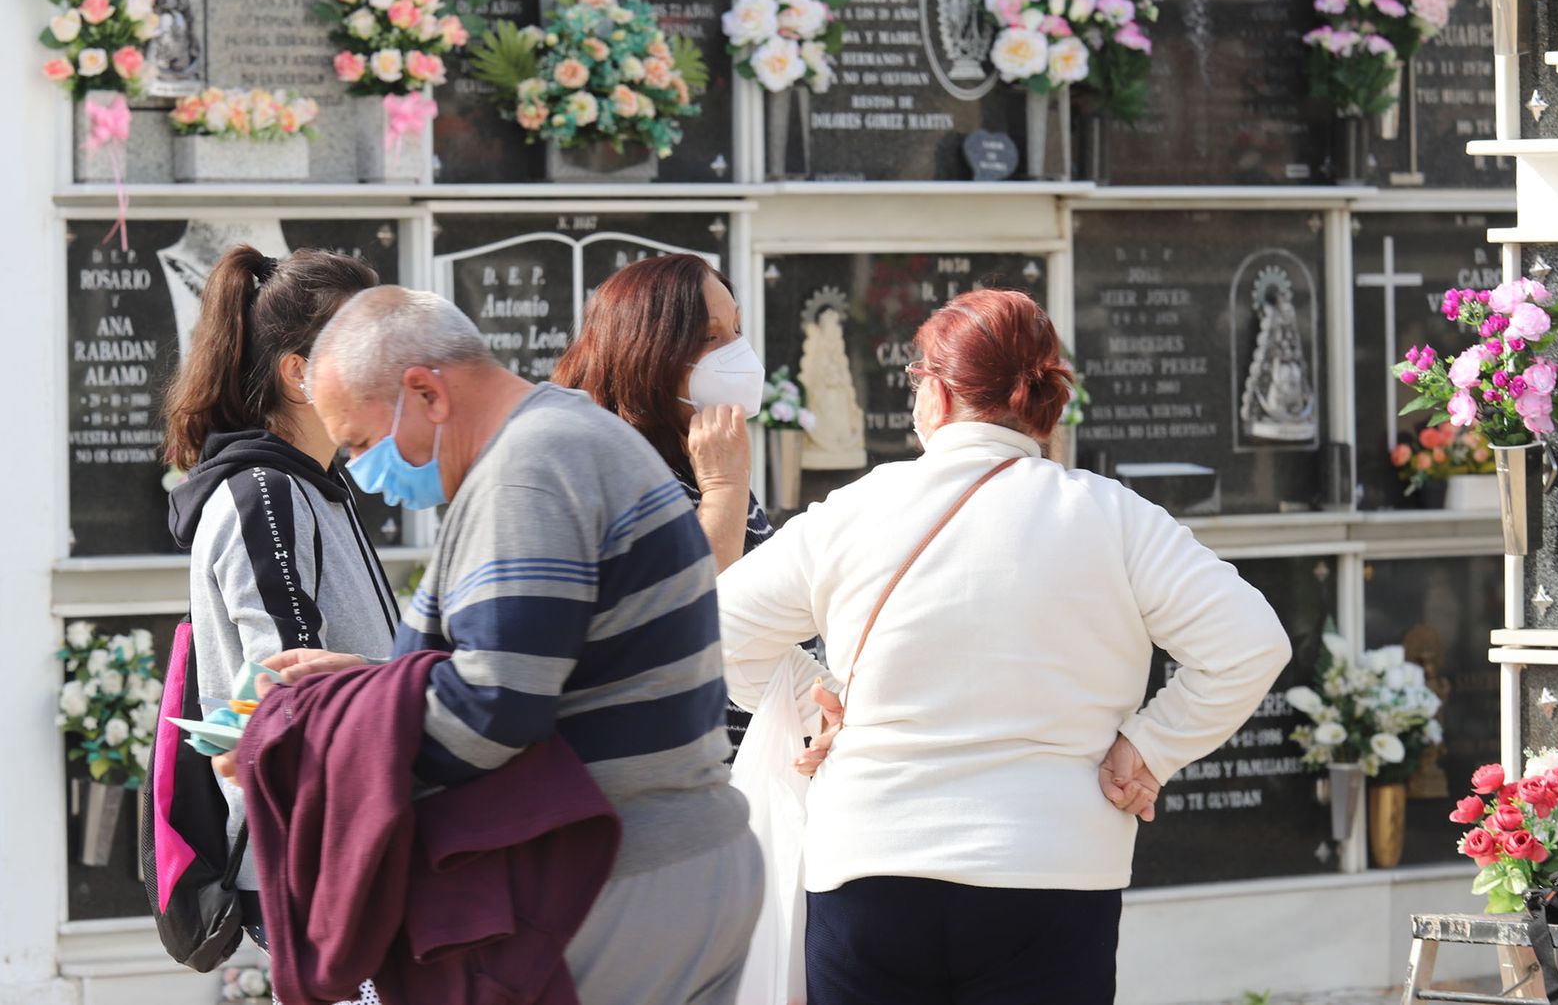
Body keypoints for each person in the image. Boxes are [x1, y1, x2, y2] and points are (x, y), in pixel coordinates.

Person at [715, 288, 1293, 1005]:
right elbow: (1250, 642)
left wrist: (819, 705)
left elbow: (718, 633)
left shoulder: (854, 511)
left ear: (939, 392)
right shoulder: (1112, 517)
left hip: (871, 863)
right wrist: (1149, 747)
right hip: (1052, 868)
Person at [249, 285, 762, 1005]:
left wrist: (313, 733)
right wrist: (373, 681)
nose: (363, 472)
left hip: (613, 879)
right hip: (669, 867)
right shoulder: (569, 435)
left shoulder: (527, 474)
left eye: (361, 443)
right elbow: (549, 668)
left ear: (425, 390)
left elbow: (491, 710)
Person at [163, 245, 399, 951]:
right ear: (299, 374)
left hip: (350, 855)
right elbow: (294, 695)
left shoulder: (310, 485)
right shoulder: (266, 494)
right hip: (320, 868)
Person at [552, 253, 778, 752]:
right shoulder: (610, 464)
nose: (737, 352)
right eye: (709, 337)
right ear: (648, 352)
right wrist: (724, 486)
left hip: (757, 768)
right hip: (675, 775)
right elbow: (681, 594)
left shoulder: (697, 451)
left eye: (736, 329)